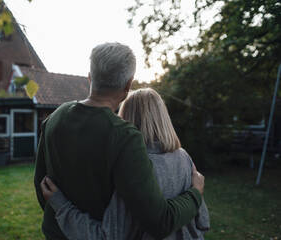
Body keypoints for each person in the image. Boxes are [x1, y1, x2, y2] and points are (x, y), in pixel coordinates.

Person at [34, 43, 205, 240]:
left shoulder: (54, 118)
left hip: (56, 233)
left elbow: (42, 187)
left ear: (90, 77)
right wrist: (195, 193)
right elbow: (159, 222)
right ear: (127, 85)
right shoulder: (124, 136)